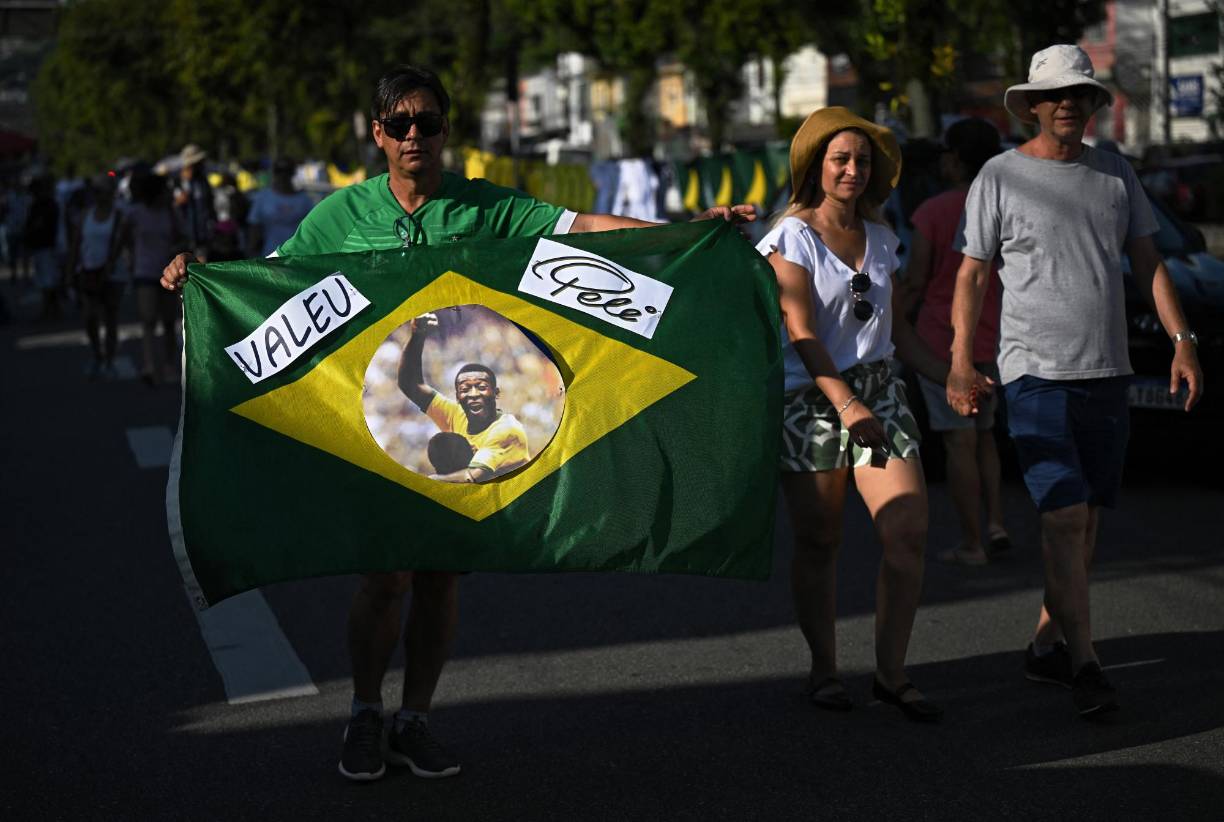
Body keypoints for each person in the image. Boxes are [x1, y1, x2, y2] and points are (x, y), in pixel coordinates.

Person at [160, 64, 753, 783]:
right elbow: (267, 283)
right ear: (377, 134)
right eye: (401, 124)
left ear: (446, 130)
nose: (416, 136)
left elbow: (590, 232)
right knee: (387, 578)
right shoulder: (339, 218)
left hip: (469, 427)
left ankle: (416, 719)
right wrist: (199, 278)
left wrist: (689, 231)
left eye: (429, 122)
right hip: (378, 437)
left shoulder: (484, 207)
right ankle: (364, 712)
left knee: (440, 579)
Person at [946, 45, 1203, 717]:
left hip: (1108, 372)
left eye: (1079, 94)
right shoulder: (999, 176)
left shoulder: (1116, 175)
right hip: (1033, 372)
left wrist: (1183, 341)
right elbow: (972, 274)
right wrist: (959, 359)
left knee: (1082, 523)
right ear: (1032, 105)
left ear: (1092, 105)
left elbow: (1149, 264)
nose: (1066, 103)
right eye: (1053, 95)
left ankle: (1044, 643)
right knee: (1062, 515)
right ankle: (1086, 664)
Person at [757, 107, 961, 722]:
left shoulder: (882, 238)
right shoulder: (790, 238)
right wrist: (845, 405)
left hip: (881, 392)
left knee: (908, 534)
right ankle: (824, 669)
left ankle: (892, 675)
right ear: (816, 168)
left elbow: (894, 327)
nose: (852, 170)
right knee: (820, 541)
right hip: (811, 400)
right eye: (840, 159)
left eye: (862, 161)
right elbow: (799, 331)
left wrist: (949, 375)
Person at [897, 118, 1010, 566]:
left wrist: (894, 320)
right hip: (994, 336)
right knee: (986, 439)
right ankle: (997, 522)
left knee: (957, 442)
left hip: (942, 343)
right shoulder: (1004, 204)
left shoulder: (934, 211)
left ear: (955, 160)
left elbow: (916, 279)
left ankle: (971, 543)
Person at [398, 312, 529, 482]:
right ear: (458, 396)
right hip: (476, 496)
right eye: (465, 389)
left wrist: (423, 483)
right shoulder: (456, 414)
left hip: (516, 498)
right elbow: (410, 384)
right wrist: (417, 335)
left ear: (496, 393)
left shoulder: (507, 429)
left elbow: (471, 478)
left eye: (481, 387)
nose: (473, 394)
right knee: (440, 445)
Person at [121, 171, 185, 385]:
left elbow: (182, 237)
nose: (169, 193)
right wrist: (129, 258)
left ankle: (168, 364)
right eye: (165, 190)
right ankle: (149, 365)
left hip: (167, 271)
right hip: (144, 271)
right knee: (148, 320)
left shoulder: (171, 213)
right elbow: (124, 237)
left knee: (168, 322)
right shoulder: (135, 213)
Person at [66, 174, 125, 378]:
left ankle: (108, 359)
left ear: (111, 193)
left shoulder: (118, 216)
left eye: (105, 191)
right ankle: (97, 354)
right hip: (88, 271)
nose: (101, 196)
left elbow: (123, 244)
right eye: (98, 192)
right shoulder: (85, 215)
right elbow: (75, 244)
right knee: (90, 316)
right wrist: (69, 271)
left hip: (113, 274)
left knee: (111, 318)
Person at [246, 158, 313, 258]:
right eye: (279, 171)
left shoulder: (304, 200)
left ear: (292, 173)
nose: (283, 175)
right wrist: (251, 251)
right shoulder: (263, 197)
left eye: (287, 171)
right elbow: (254, 226)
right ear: (274, 173)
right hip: (268, 255)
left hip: (297, 256)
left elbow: (311, 229)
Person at [24, 176, 60, 320]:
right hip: (41, 246)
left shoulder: (46, 205)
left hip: (46, 246)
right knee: (47, 280)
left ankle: (49, 309)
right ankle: (53, 308)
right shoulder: (40, 204)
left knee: (47, 281)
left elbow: (39, 225)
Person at [173, 144, 215, 262]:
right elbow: (174, 205)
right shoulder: (177, 181)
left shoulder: (203, 181)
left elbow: (209, 204)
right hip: (184, 235)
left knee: (201, 264)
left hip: (202, 233)